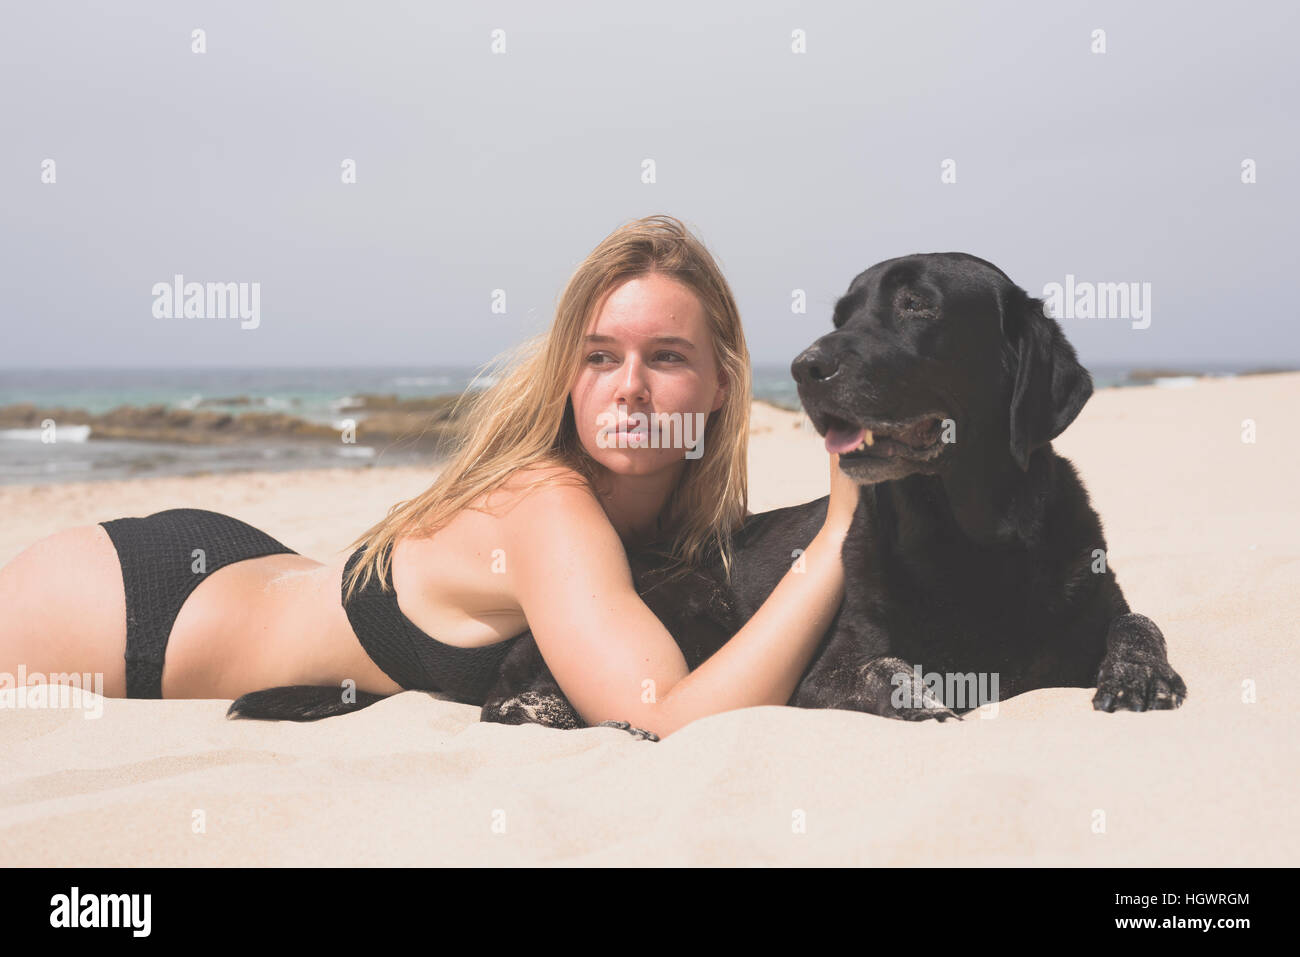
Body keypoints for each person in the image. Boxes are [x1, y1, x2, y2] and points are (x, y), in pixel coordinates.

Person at [0, 214, 858, 740]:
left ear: (720, 383)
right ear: (569, 372)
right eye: (600, 356)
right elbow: (662, 715)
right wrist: (833, 539)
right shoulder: (549, 507)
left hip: (253, 561)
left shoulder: (677, 519)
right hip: (125, 617)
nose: (629, 384)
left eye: (666, 357)